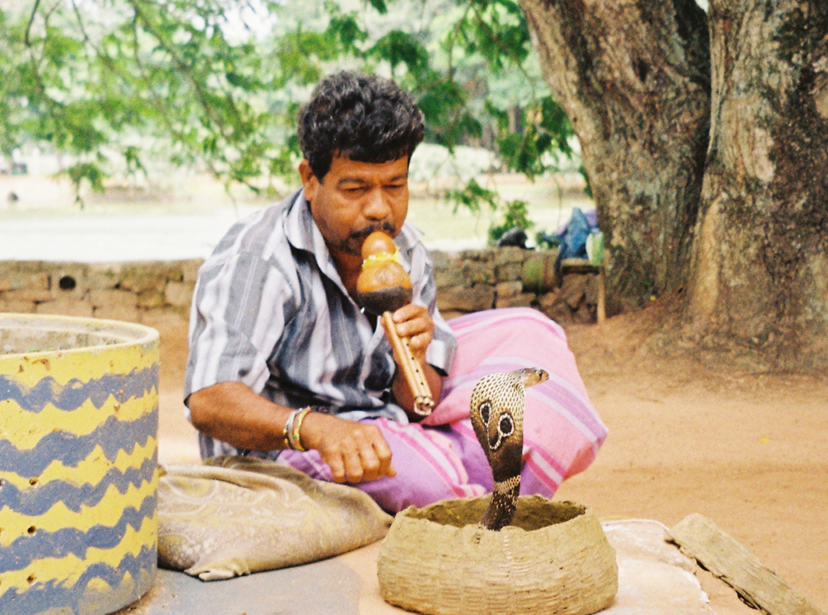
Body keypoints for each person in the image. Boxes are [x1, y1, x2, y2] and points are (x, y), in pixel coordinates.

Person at [185, 70, 607, 514]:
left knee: (532, 334)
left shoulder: (406, 249)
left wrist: (416, 358)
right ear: (310, 179)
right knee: (423, 481)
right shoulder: (260, 257)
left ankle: (453, 469)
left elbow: (420, 402)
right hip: (280, 448)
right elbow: (208, 400)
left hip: (381, 418)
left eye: (394, 186)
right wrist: (315, 429)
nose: (378, 209)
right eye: (355, 189)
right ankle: (453, 478)